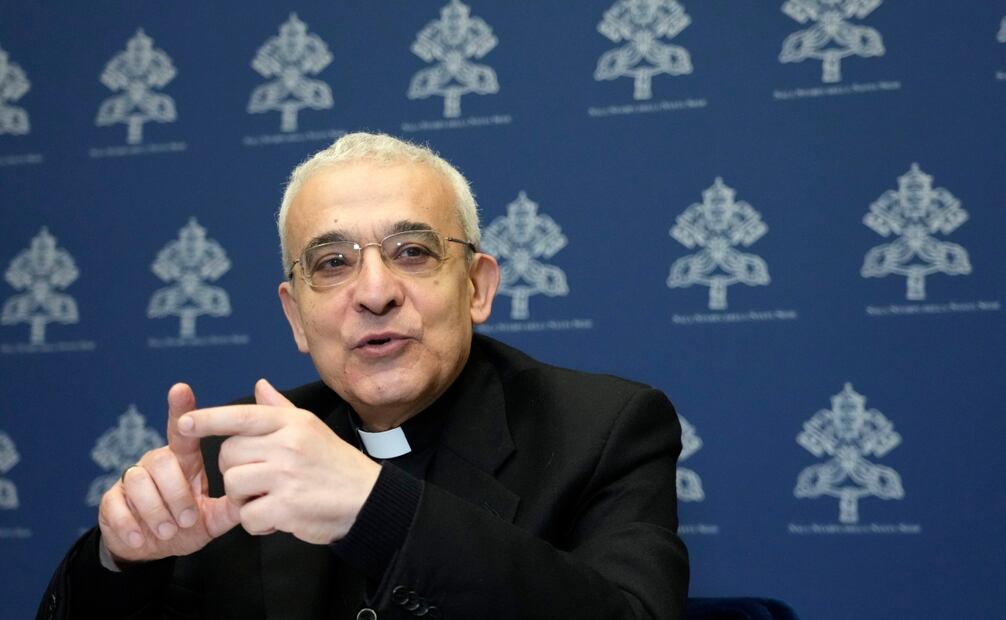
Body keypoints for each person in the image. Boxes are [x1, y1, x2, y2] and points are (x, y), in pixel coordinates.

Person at [38, 133, 689, 619]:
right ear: (296, 317)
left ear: (476, 287)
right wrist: (123, 561)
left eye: (413, 252)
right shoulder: (227, 464)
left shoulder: (601, 431)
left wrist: (377, 509)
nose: (375, 292)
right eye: (331, 263)